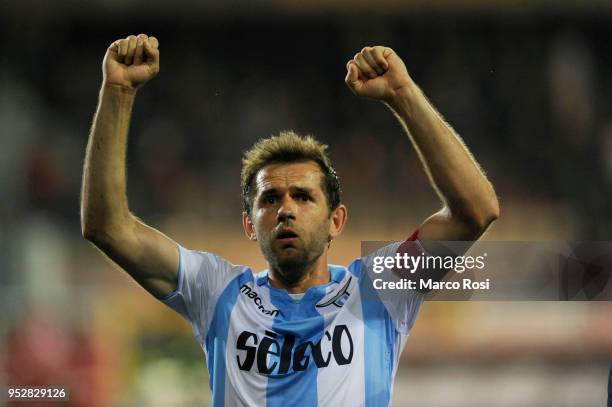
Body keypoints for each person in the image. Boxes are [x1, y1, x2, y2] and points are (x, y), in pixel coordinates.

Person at [81, 33, 499, 406]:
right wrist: (117, 91)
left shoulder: (379, 288)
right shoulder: (216, 291)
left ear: (337, 221)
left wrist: (403, 94)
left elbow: (475, 212)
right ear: (249, 224)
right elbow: (108, 227)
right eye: (270, 199)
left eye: (303, 196)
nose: (286, 209)